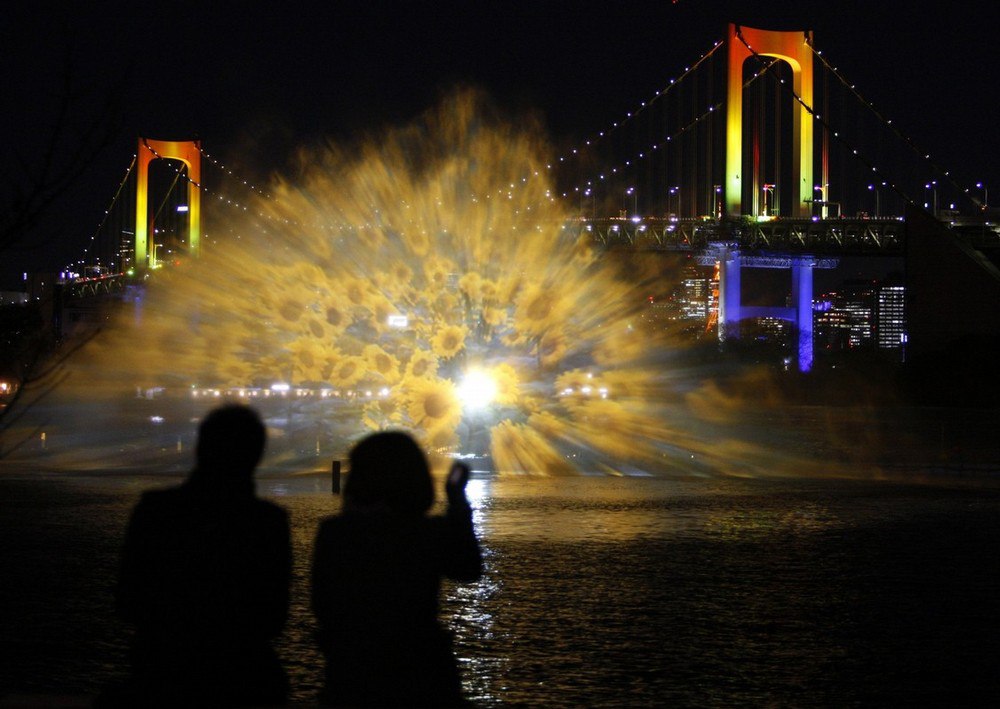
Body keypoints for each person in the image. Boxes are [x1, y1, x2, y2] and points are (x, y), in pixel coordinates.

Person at [110, 404, 291, 707]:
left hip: (161, 673)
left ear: (200, 448)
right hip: (242, 678)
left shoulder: (155, 511)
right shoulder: (267, 522)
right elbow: (273, 618)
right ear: (256, 456)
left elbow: (128, 601)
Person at [311, 431, 483, 707]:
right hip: (423, 670)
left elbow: (323, 606)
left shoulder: (336, 533)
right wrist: (457, 502)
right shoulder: (426, 533)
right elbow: (469, 569)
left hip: (354, 674)